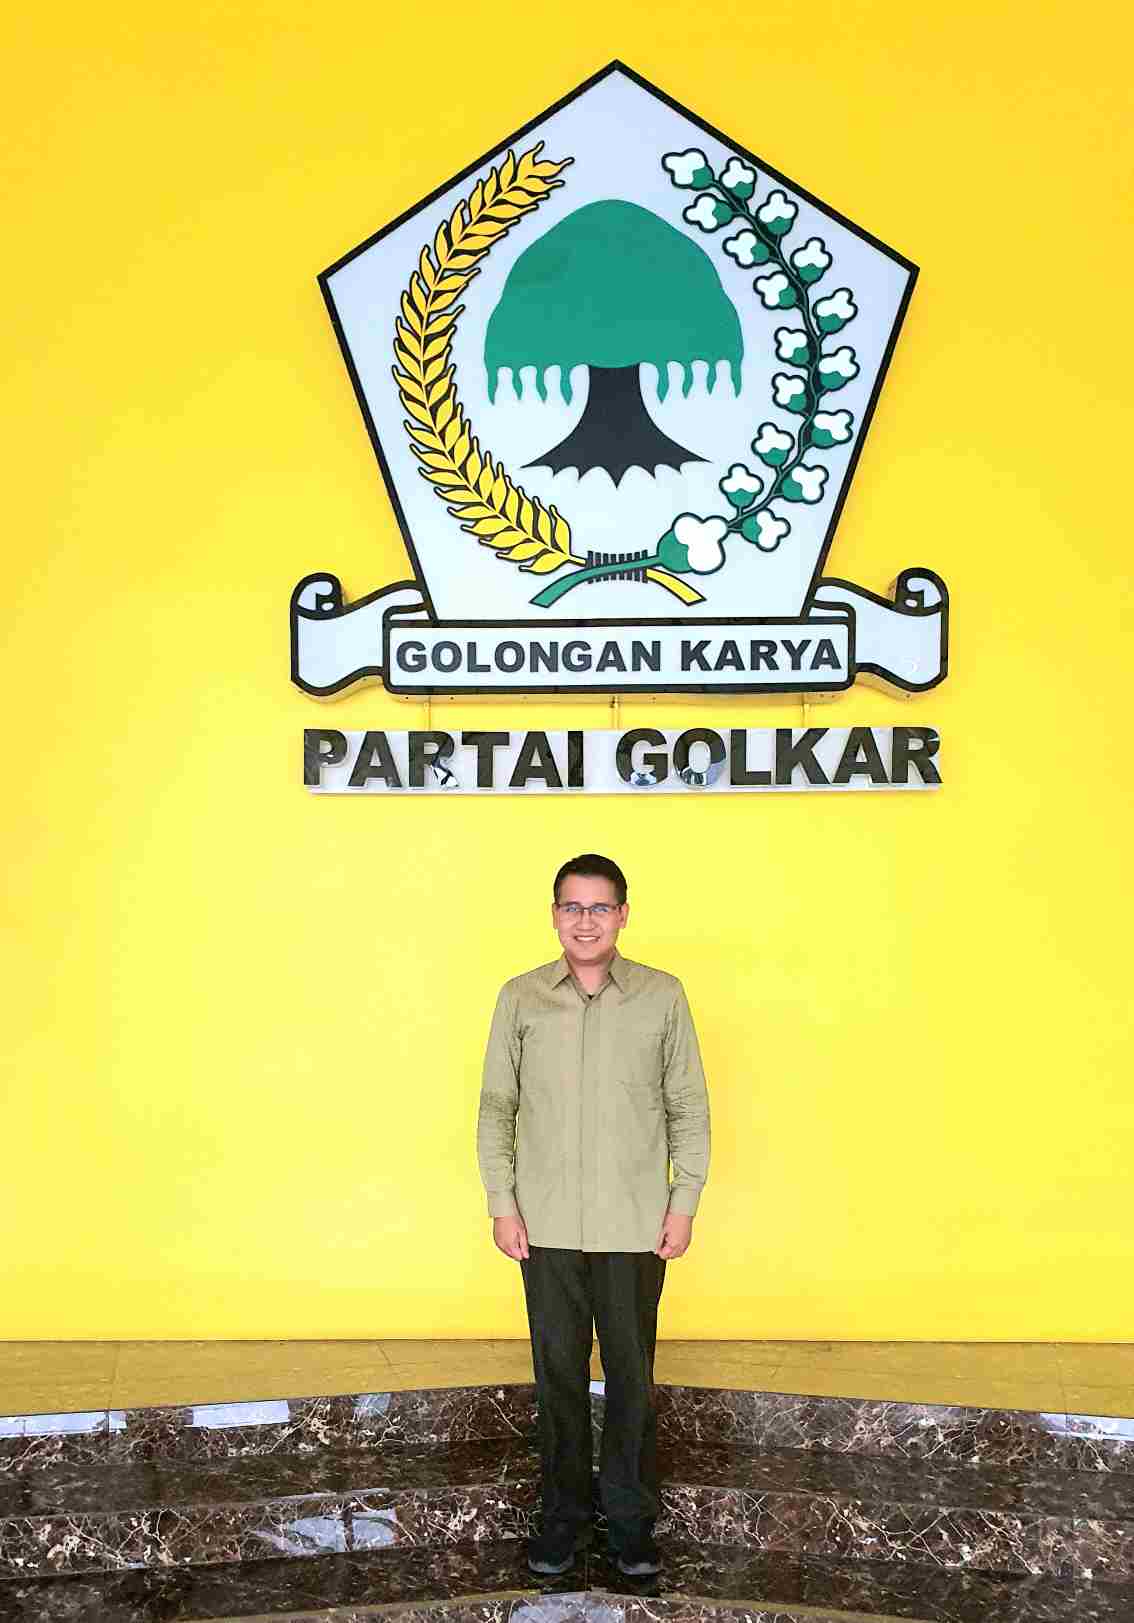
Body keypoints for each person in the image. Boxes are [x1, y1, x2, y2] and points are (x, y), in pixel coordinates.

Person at [476, 852, 711, 1580]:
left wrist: (683, 1202)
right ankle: (563, 1522)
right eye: (572, 907)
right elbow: (497, 1109)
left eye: (600, 907)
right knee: (558, 1379)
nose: (586, 921)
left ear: (622, 915)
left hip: (635, 1226)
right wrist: (502, 1204)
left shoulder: (662, 996)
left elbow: (688, 1106)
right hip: (544, 1227)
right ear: (555, 915)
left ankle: (632, 1525)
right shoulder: (520, 998)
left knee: (632, 1379)